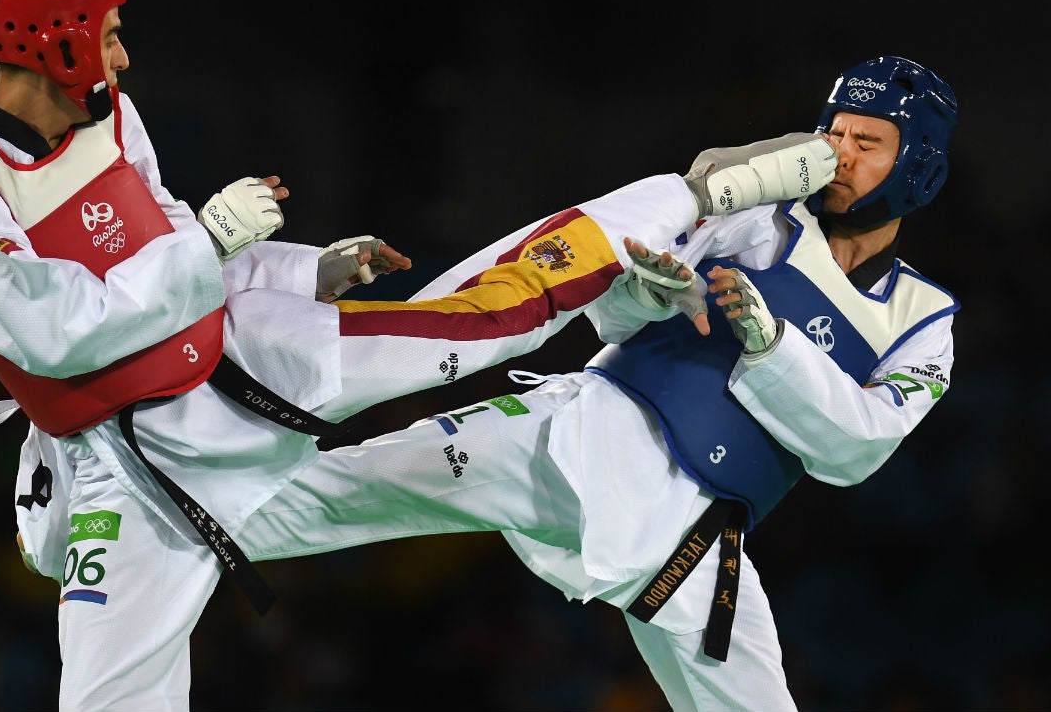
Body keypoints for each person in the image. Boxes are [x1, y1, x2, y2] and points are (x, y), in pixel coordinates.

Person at [0, 0, 834, 710]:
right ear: (58, 41)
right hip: (125, 469)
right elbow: (52, 330)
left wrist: (308, 270)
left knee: (480, 321)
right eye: (107, 36)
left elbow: (176, 250)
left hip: (244, 352)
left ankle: (694, 189)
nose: (122, 57)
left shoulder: (113, 115)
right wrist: (210, 240)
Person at [226, 54, 959, 711]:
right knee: (330, 491)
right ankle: (147, 511)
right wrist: (646, 292)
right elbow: (614, 315)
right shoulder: (758, 213)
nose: (839, 155)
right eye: (834, 132)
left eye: (867, 144)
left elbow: (859, 448)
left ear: (917, 165)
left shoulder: (923, 319)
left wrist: (771, 344)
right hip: (571, 432)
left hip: (690, 538)